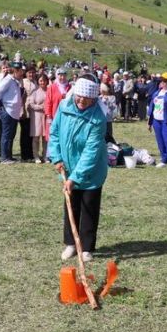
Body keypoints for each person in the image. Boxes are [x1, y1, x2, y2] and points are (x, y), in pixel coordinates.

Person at [49, 74, 108, 263]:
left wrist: (75, 178)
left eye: (86, 98)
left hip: (91, 172)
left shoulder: (98, 118)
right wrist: (56, 157)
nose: (81, 101)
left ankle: (87, 247)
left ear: (94, 98)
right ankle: (71, 244)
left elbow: (91, 152)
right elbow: (55, 133)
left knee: (89, 207)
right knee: (70, 206)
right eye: (79, 96)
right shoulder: (64, 107)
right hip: (67, 167)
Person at [0, 61, 24, 163]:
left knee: (11, 135)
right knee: (6, 135)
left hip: (14, 112)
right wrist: (0, 103)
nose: (22, 73)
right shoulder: (8, 80)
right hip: (7, 110)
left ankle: (9, 156)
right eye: (21, 71)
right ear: (16, 70)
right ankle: (4, 157)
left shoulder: (15, 80)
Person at [26, 72, 48, 163]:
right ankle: (36, 156)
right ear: (38, 81)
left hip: (46, 116)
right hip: (36, 116)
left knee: (45, 138)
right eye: (41, 81)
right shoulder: (35, 92)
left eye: (44, 81)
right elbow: (31, 104)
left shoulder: (49, 91)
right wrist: (40, 107)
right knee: (36, 137)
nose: (42, 82)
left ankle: (45, 156)